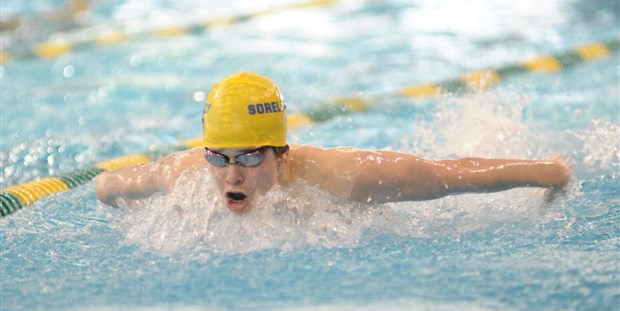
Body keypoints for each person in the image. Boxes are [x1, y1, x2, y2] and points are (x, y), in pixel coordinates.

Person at [95, 72, 571, 213]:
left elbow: (449, 175)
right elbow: (108, 187)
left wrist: (549, 173)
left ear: (282, 153)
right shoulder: (187, 174)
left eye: (250, 156)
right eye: (218, 157)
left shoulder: (346, 177)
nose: (231, 175)